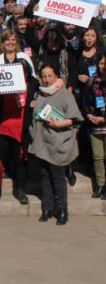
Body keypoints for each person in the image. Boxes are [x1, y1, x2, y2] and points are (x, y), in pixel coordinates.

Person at [29, 64, 84, 225]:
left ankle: (62, 210)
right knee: (45, 176)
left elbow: (74, 119)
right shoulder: (40, 93)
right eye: (44, 76)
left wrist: (60, 124)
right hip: (42, 141)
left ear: (56, 76)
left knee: (58, 177)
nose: (46, 79)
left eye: (50, 76)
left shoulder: (64, 94)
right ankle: (47, 208)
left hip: (57, 142)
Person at [0, 30, 37, 204]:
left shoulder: (30, 82)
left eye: (13, 40)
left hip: (21, 123)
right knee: (0, 159)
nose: (10, 42)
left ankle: (20, 190)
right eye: (6, 40)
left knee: (19, 160)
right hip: (2, 121)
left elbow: (39, 83)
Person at [81, 54, 106, 199]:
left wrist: (104, 117)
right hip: (94, 124)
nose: (103, 66)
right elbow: (84, 100)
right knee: (97, 157)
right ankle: (100, 185)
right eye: (101, 63)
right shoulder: (92, 81)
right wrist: (88, 115)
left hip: (103, 120)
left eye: (105, 63)